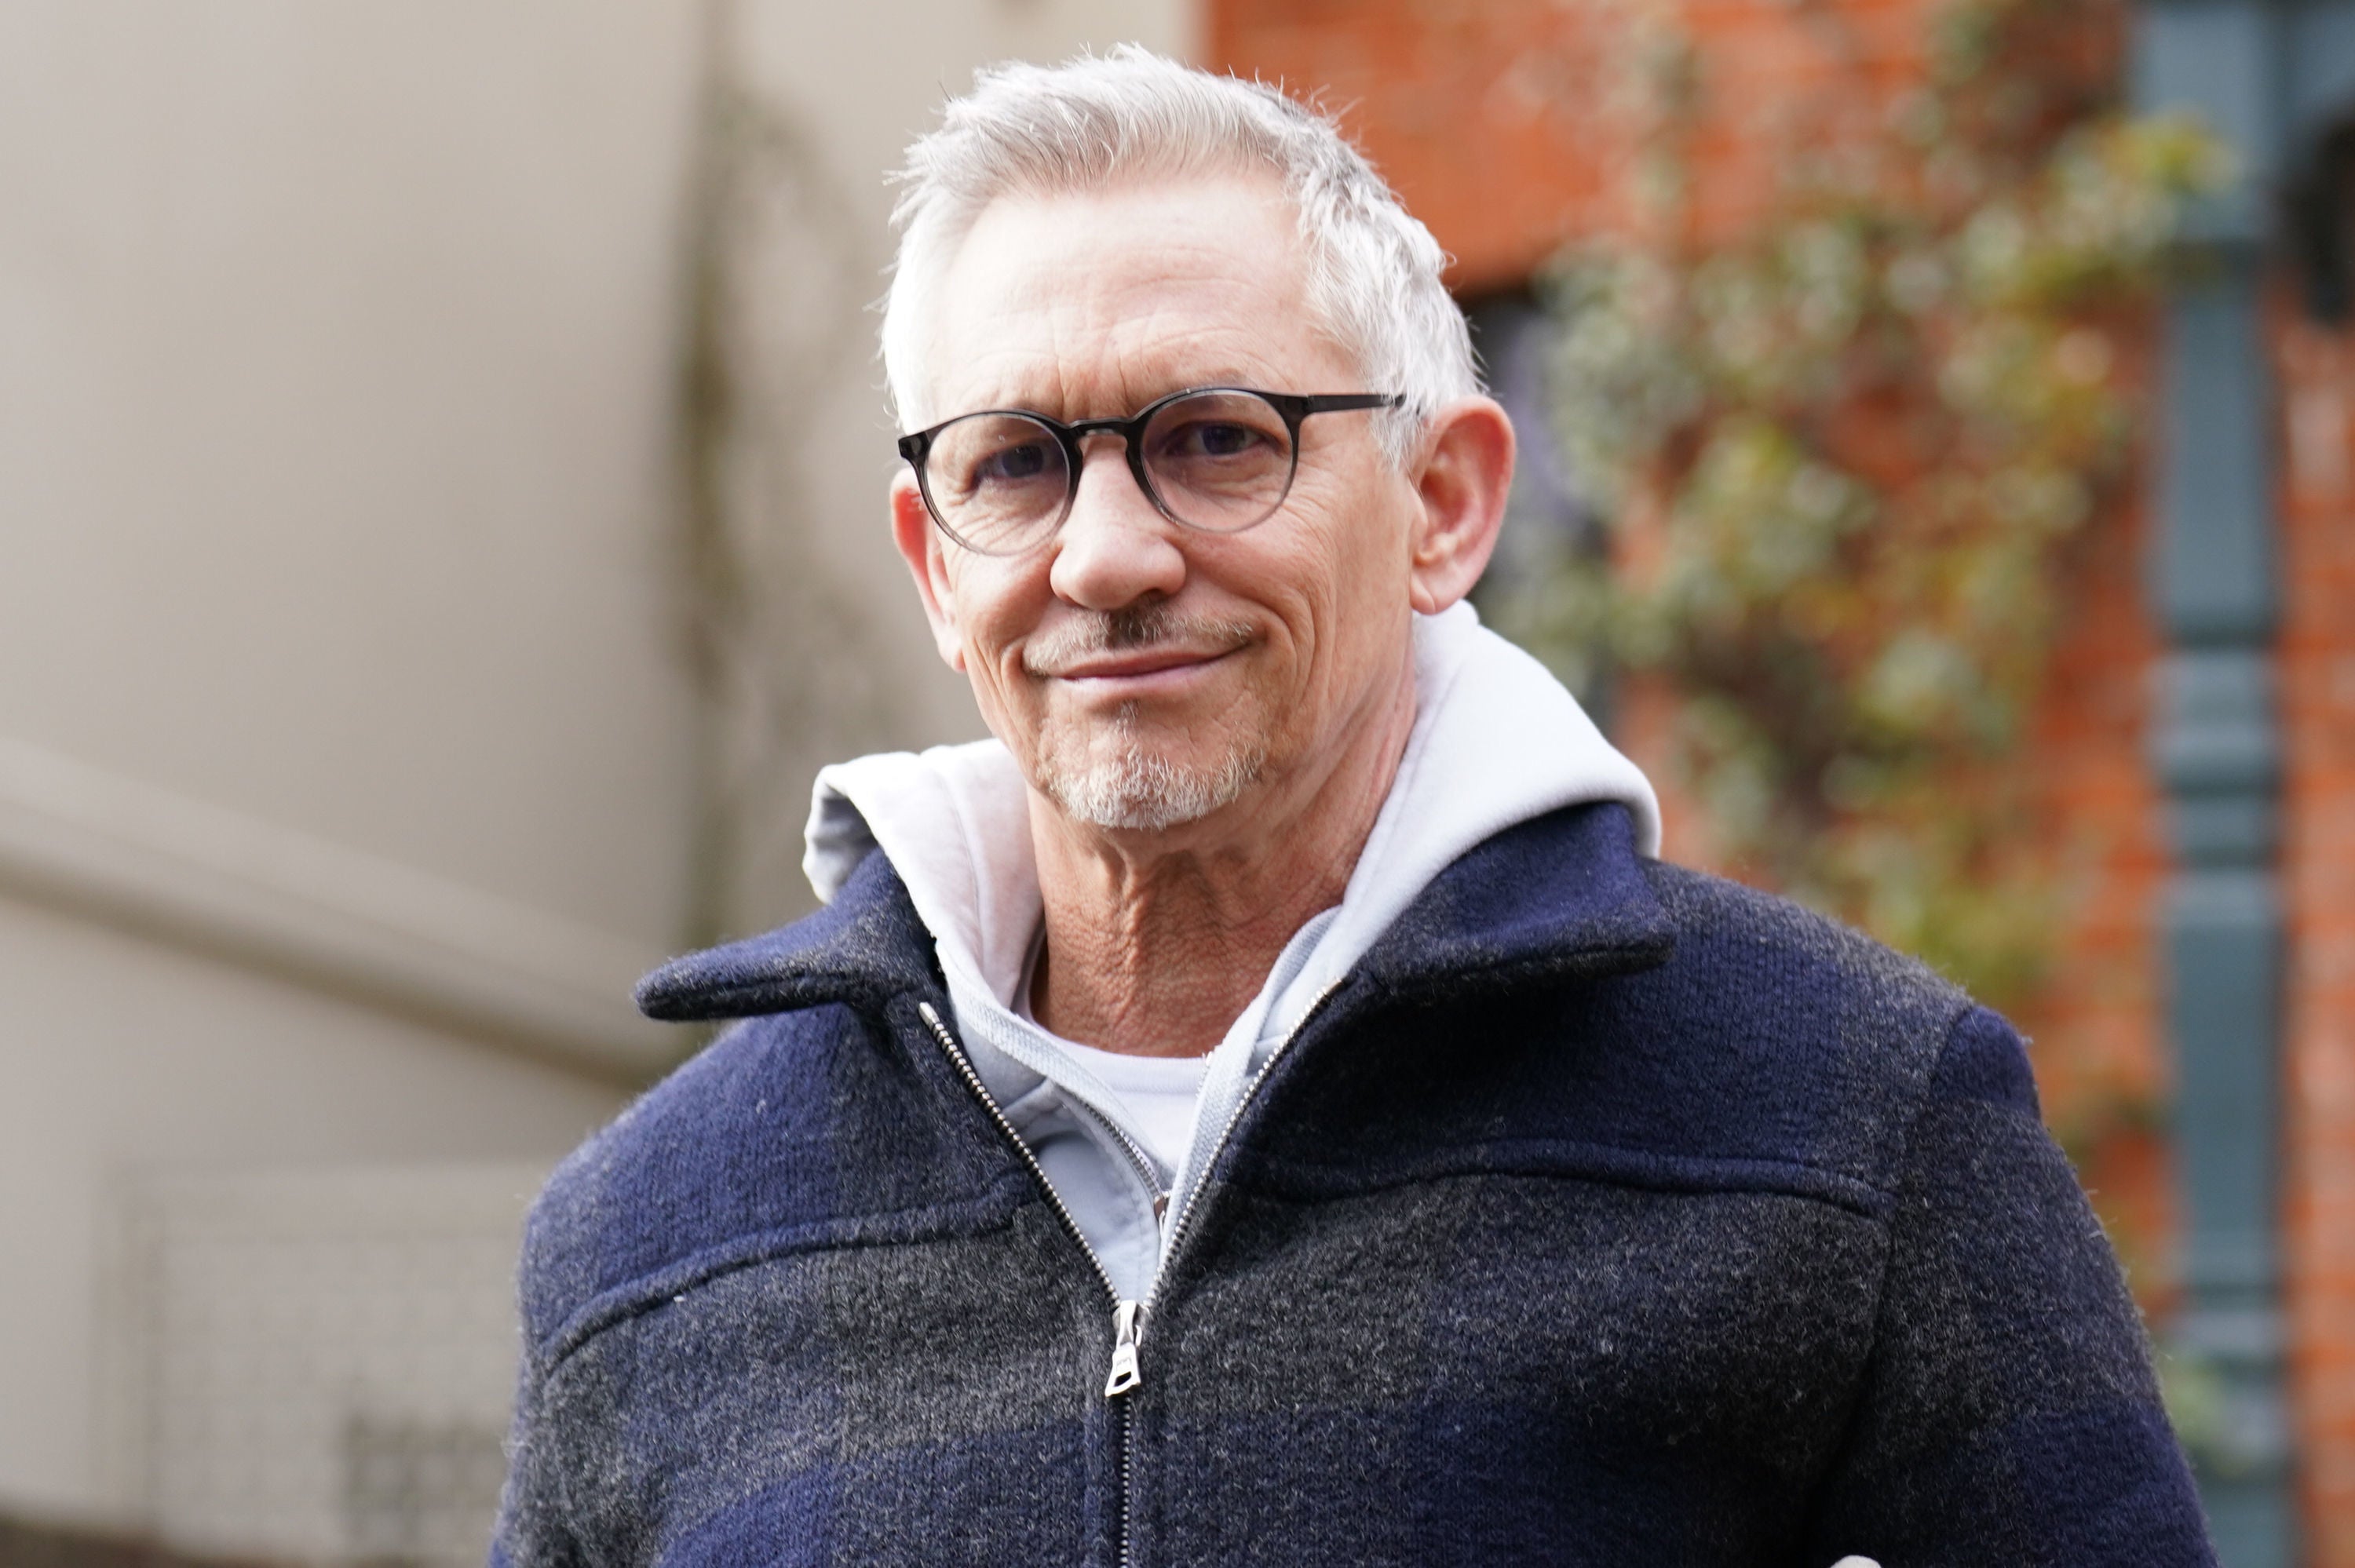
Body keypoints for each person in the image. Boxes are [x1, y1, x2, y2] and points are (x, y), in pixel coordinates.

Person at [491, 48, 2214, 1568]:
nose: (1106, 556)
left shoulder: (1851, 1126)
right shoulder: (655, 1236)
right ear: (935, 566)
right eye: (1016, 464)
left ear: (1443, 506)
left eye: (1218, 440)